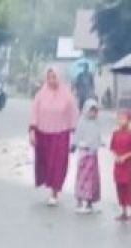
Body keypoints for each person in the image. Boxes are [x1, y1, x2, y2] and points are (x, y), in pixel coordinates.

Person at [30, 68, 79, 206]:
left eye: (55, 77)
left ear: (60, 77)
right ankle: (48, 184)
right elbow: (35, 112)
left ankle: (54, 191)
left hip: (61, 134)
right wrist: (32, 131)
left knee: (57, 163)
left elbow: (73, 115)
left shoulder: (67, 96)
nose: (52, 80)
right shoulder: (40, 95)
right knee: (45, 162)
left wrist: (74, 136)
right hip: (43, 133)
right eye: (50, 77)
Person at [73, 99, 103, 214]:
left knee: (92, 179)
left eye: (95, 111)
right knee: (82, 178)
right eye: (91, 111)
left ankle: (89, 202)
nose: (93, 114)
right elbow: (77, 137)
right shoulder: (81, 123)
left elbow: (98, 137)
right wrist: (75, 145)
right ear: (86, 110)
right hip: (83, 156)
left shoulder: (96, 123)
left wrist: (100, 143)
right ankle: (80, 201)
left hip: (93, 156)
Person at [110, 109, 131, 221]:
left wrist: (124, 157)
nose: (120, 121)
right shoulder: (115, 133)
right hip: (117, 165)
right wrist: (116, 156)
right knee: (119, 187)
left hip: (127, 166)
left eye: (123, 118)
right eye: (119, 118)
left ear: (128, 120)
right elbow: (112, 147)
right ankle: (123, 211)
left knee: (129, 188)